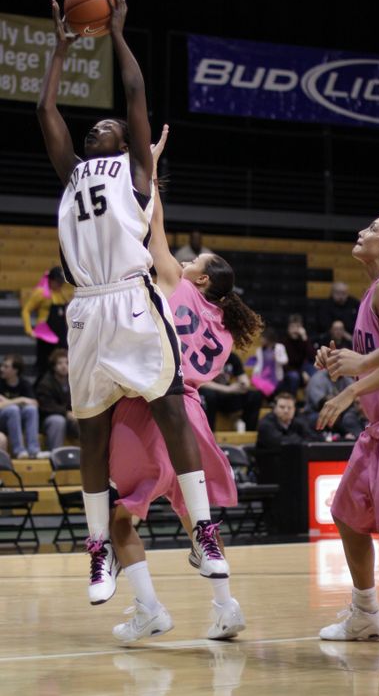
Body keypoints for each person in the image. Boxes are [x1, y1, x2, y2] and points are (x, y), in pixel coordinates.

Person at [37, 0, 229, 605]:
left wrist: (118, 32)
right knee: (90, 434)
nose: (99, 125)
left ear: (128, 143)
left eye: (109, 125)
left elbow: (136, 95)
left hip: (133, 299)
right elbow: (47, 111)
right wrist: (61, 52)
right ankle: (99, 551)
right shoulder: (72, 173)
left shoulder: (135, 172)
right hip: (88, 306)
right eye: (95, 124)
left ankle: (203, 529)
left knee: (171, 409)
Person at [109, 131, 263, 641]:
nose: (188, 257)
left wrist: (149, 172)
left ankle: (149, 608)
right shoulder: (223, 328)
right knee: (198, 523)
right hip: (193, 418)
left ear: (199, 279)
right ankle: (226, 605)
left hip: (156, 406)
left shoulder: (175, 281)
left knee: (121, 517)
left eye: (197, 259)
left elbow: (155, 223)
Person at [315, 214, 379, 641]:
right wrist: (342, 364)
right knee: (347, 514)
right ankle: (365, 612)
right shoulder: (373, 293)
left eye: (372, 227)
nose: (361, 232)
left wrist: (352, 389)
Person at [21, 266, 70, 380]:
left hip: (61, 334)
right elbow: (26, 310)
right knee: (44, 366)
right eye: (58, 282)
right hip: (46, 334)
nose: (60, 285)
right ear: (51, 280)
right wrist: (29, 330)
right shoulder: (41, 292)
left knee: (62, 362)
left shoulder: (61, 293)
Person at [199, 351, 263, 431]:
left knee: (255, 395)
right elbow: (200, 382)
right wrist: (228, 389)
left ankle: (249, 432)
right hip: (211, 393)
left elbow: (243, 377)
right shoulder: (203, 355)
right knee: (209, 395)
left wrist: (243, 384)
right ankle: (209, 433)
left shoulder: (232, 357)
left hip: (227, 396)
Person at [0, 354, 43, 459]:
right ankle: (19, 450)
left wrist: (8, 401)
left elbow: (34, 403)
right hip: (2, 420)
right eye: (2, 366)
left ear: (15, 370)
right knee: (13, 409)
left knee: (31, 410)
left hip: (17, 421)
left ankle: (34, 450)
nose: (1, 369)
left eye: (6, 367)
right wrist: (20, 400)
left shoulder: (24, 384)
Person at [36, 348, 79, 450]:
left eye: (67, 363)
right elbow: (46, 406)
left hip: (70, 418)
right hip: (48, 418)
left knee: (86, 421)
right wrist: (66, 413)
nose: (64, 366)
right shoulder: (45, 383)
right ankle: (55, 454)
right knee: (58, 421)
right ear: (54, 366)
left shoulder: (74, 381)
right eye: (60, 363)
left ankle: (88, 454)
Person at [303, 369, 364, 440]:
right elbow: (321, 403)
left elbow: (356, 399)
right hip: (317, 412)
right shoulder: (317, 379)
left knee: (351, 416)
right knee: (320, 416)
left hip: (341, 412)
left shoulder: (346, 379)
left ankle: (356, 438)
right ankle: (322, 440)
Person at [249, 327, 288, 400]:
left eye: (263, 338)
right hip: (263, 376)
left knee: (275, 388)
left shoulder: (280, 347)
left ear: (269, 338)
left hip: (275, 376)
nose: (261, 340)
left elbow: (285, 360)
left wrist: (277, 358)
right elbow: (259, 364)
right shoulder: (260, 350)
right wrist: (255, 374)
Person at [283, 314, 316, 396]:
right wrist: (302, 373)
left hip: (302, 369)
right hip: (289, 371)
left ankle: (311, 402)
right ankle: (292, 400)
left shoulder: (303, 341)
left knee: (315, 373)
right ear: (288, 328)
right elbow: (286, 365)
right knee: (294, 376)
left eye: (297, 327)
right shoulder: (283, 343)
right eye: (292, 327)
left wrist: (305, 337)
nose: (295, 330)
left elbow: (312, 357)